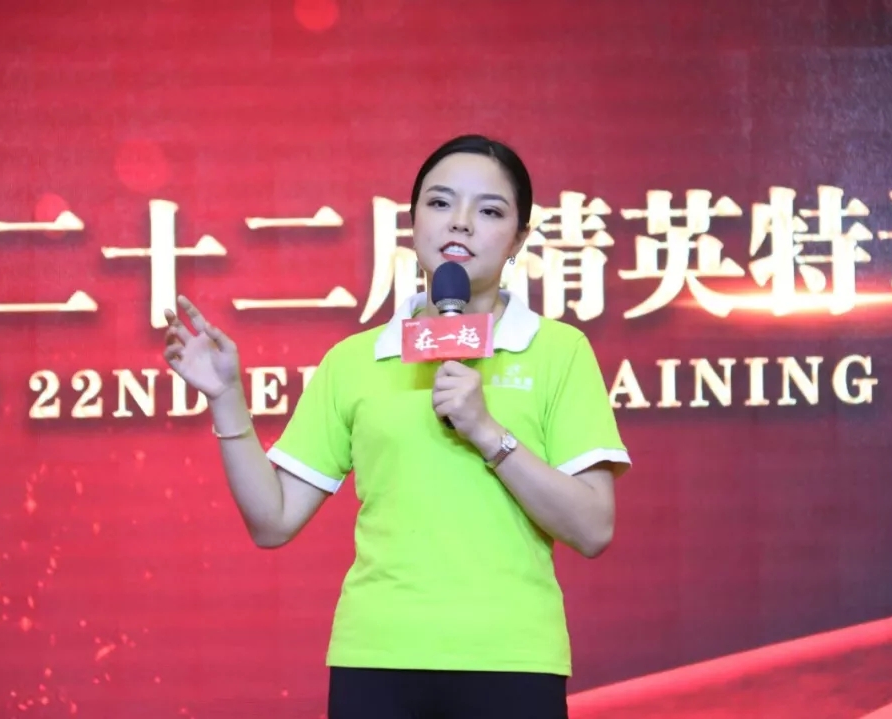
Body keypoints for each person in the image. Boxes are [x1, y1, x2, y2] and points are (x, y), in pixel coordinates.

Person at [162, 134, 631, 719]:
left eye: (489, 211)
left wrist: (489, 433)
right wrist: (227, 398)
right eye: (440, 203)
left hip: (513, 657)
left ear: (519, 239)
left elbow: (593, 527)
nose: (460, 223)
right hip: (377, 657)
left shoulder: (559, 351)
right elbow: (272, 521)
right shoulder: (356, 359)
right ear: (411, 222)